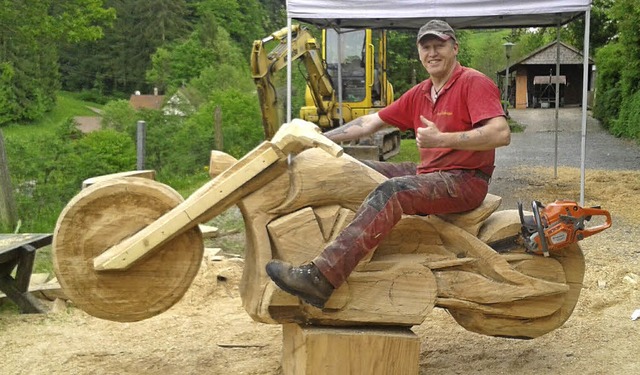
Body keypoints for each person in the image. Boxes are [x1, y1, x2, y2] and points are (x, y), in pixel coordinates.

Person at [265, 19, 511, 308]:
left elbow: (500, 133)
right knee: (353, 169)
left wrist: (443, 139)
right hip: (429, 173)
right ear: (419, 53)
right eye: (426, 47)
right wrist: (317, 139)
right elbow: (370, 121)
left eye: (439, 46)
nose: (432, 53)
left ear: (454, 48)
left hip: (465, 180)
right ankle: (325, 248)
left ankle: (322, 278)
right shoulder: (421, 92)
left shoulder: (474, 82)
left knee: (393, 191)